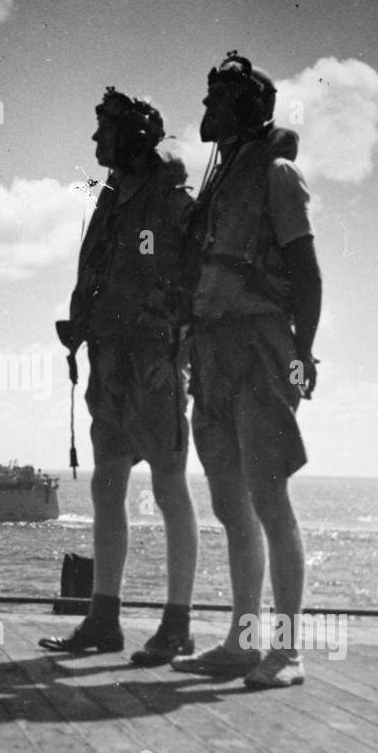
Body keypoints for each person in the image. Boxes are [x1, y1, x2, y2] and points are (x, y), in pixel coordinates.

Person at [170, 52, 322, 689]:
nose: (206, 111)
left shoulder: (276, 175)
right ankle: (241, 640)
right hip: (211, 356)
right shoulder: (220, 181)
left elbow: (307, 272)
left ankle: (285, 652)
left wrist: (303, 352)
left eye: (218, 101)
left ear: (250, 108)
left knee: (268, 498)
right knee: (232, 506)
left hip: (260, 350)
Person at [39, 87, 200, 664]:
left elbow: (190, 275)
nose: (94, 139)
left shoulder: (170, 196)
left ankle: (176, 625)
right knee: (107, 488)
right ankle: (103, 620)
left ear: (130, 136)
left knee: (168, 487)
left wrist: (178, 348)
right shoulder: (113, 194)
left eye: (103, 128)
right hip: (110, 359)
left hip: (153, 358)